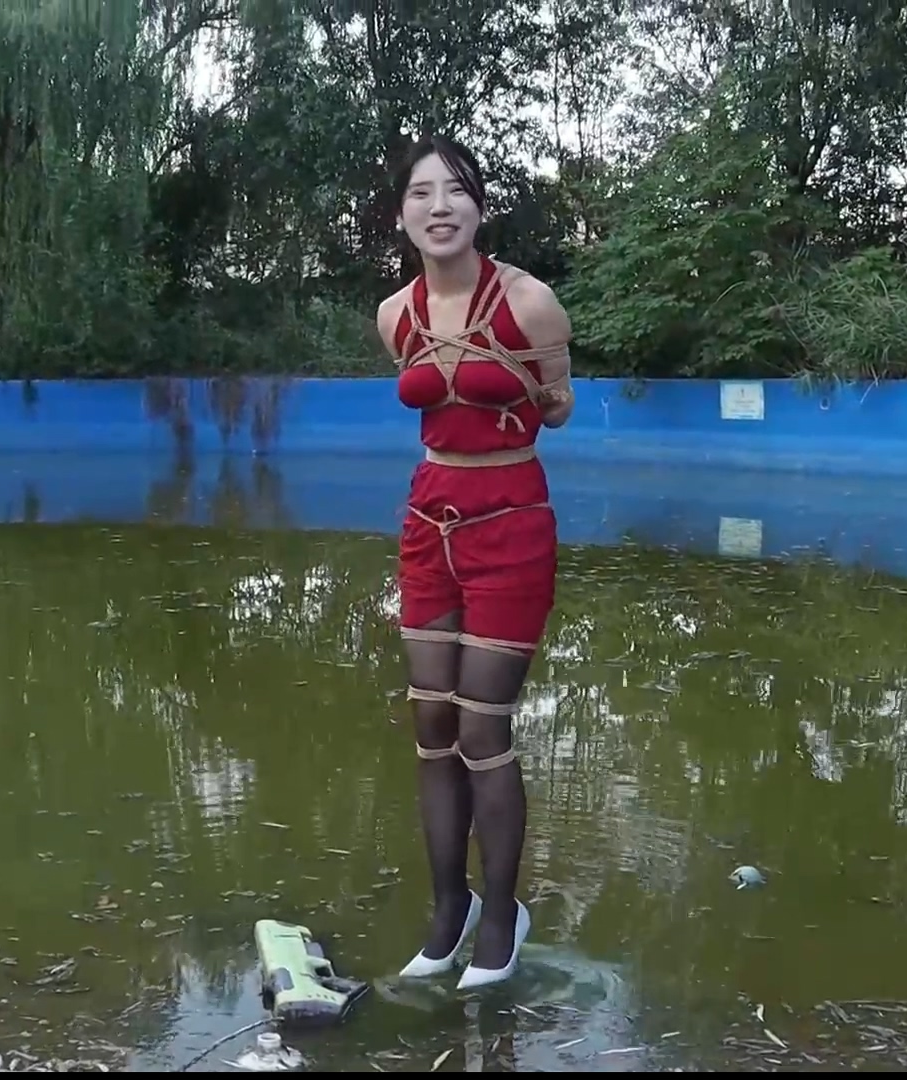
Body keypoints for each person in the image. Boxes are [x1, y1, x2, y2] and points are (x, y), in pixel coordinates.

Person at [375, 134, 576, 990]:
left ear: (480, 207)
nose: (440, 207)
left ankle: (501, 916)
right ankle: (446, 910)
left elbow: (558, 407)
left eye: (456, 191)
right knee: (432, 726)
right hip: (430, 526)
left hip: (511, 526)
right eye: (422, 193)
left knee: (482, 728)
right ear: (402, 215)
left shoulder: (530, 303)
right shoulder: (396, 314)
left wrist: (515, 385)